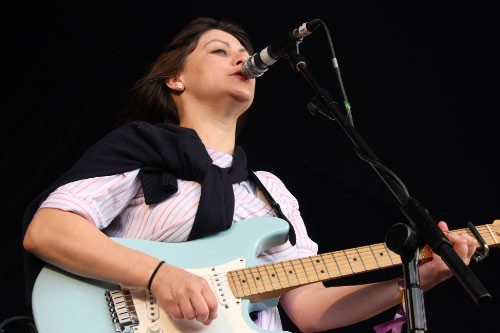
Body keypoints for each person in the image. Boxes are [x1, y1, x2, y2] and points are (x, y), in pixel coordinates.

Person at [22, 16, 477, 332]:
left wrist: (415, 277)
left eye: (245, 52)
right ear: (176, 79)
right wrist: (159, 274)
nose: (242, 59)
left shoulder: (269, 193)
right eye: (220, 50)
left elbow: (311, 310)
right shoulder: (140, 148)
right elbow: (50, 230)